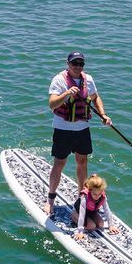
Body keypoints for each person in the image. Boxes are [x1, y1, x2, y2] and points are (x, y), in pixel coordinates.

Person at [45, 51, 112, 215]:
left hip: (82, 129)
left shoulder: (88, 79)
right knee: (59, 164)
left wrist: (103, 114)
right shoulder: (59, 80)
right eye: (74, 63)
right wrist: (66, 93)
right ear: (68, 64)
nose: (78, 66)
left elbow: (95, 98)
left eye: (81, 64)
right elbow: (52, 104)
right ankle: (50, 200)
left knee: (82, 162)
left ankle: (81, 198)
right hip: (63, 129)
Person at [72, 173, 119, 240]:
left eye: (99, 194)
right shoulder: (85, 197)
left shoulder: (103, 197)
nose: (97, 196)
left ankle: (89, 220)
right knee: (91, 226)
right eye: (94, 194)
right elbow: (82, 214)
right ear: (90, 191)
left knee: (101, 224)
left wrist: (111, 225)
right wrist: (80, 231)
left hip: (91, 212)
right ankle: (73, 216)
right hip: (79, 211)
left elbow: (107, 210)